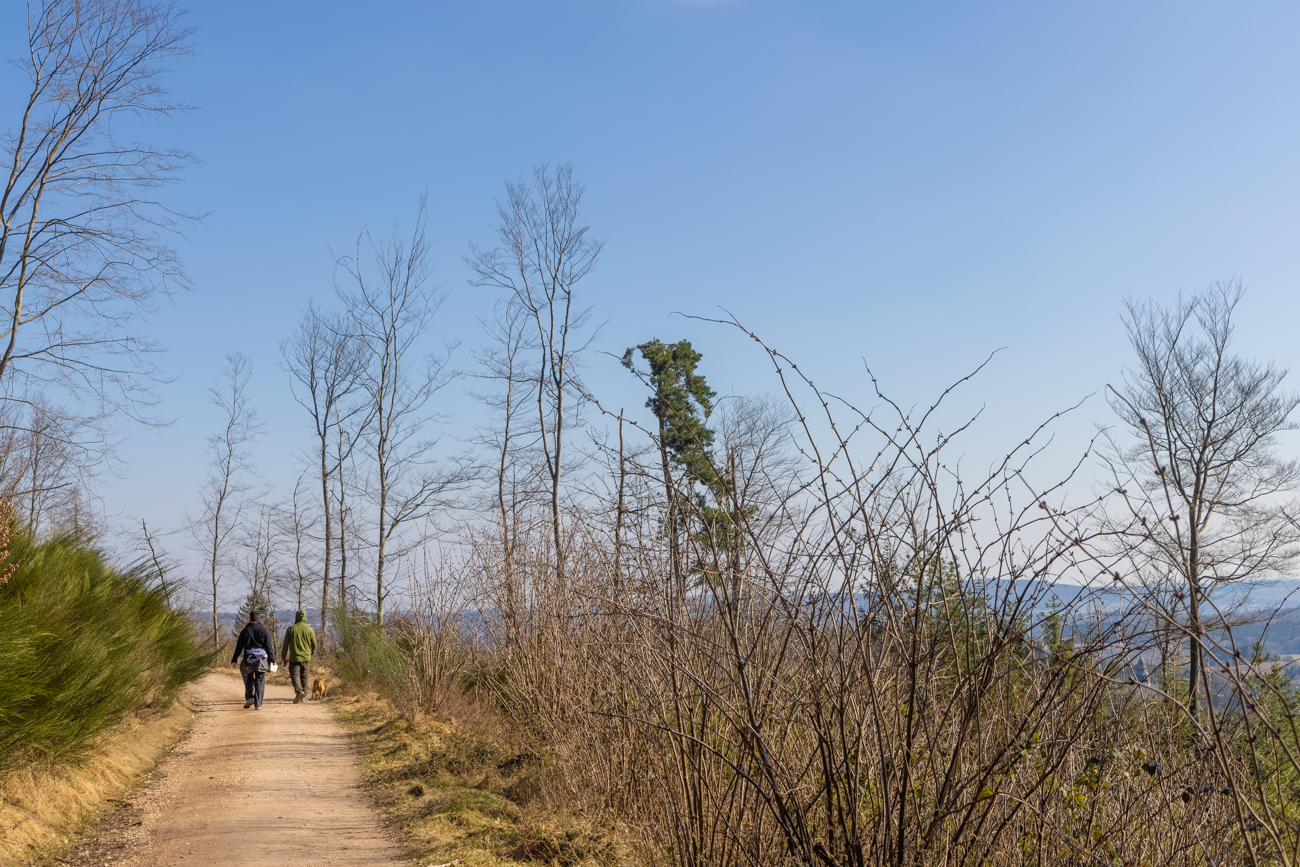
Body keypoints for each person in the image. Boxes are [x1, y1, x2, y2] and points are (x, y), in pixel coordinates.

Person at [230, 611, 276, 709]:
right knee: (260, 680)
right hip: (261, 659)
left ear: (250, 619)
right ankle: (258, 704)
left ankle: (250, 697)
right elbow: (268, 647)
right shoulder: (264, 631)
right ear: (259, 620)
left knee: (248, 678)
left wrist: (234, 659)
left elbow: (239, 647)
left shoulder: (245, 631)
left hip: (248, 658)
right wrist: (272, 659)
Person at [280, 609, 318, 704]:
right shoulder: (309, 630)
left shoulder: (291, 629)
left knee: (295, 675)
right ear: (305, 617)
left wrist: (283, 657)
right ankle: (303, 696)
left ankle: (299, 691)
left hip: (294, 657)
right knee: (304, 676)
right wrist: (312, 652)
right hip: (306, 657)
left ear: (296, 617)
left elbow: (285, 645)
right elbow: (314, 644)